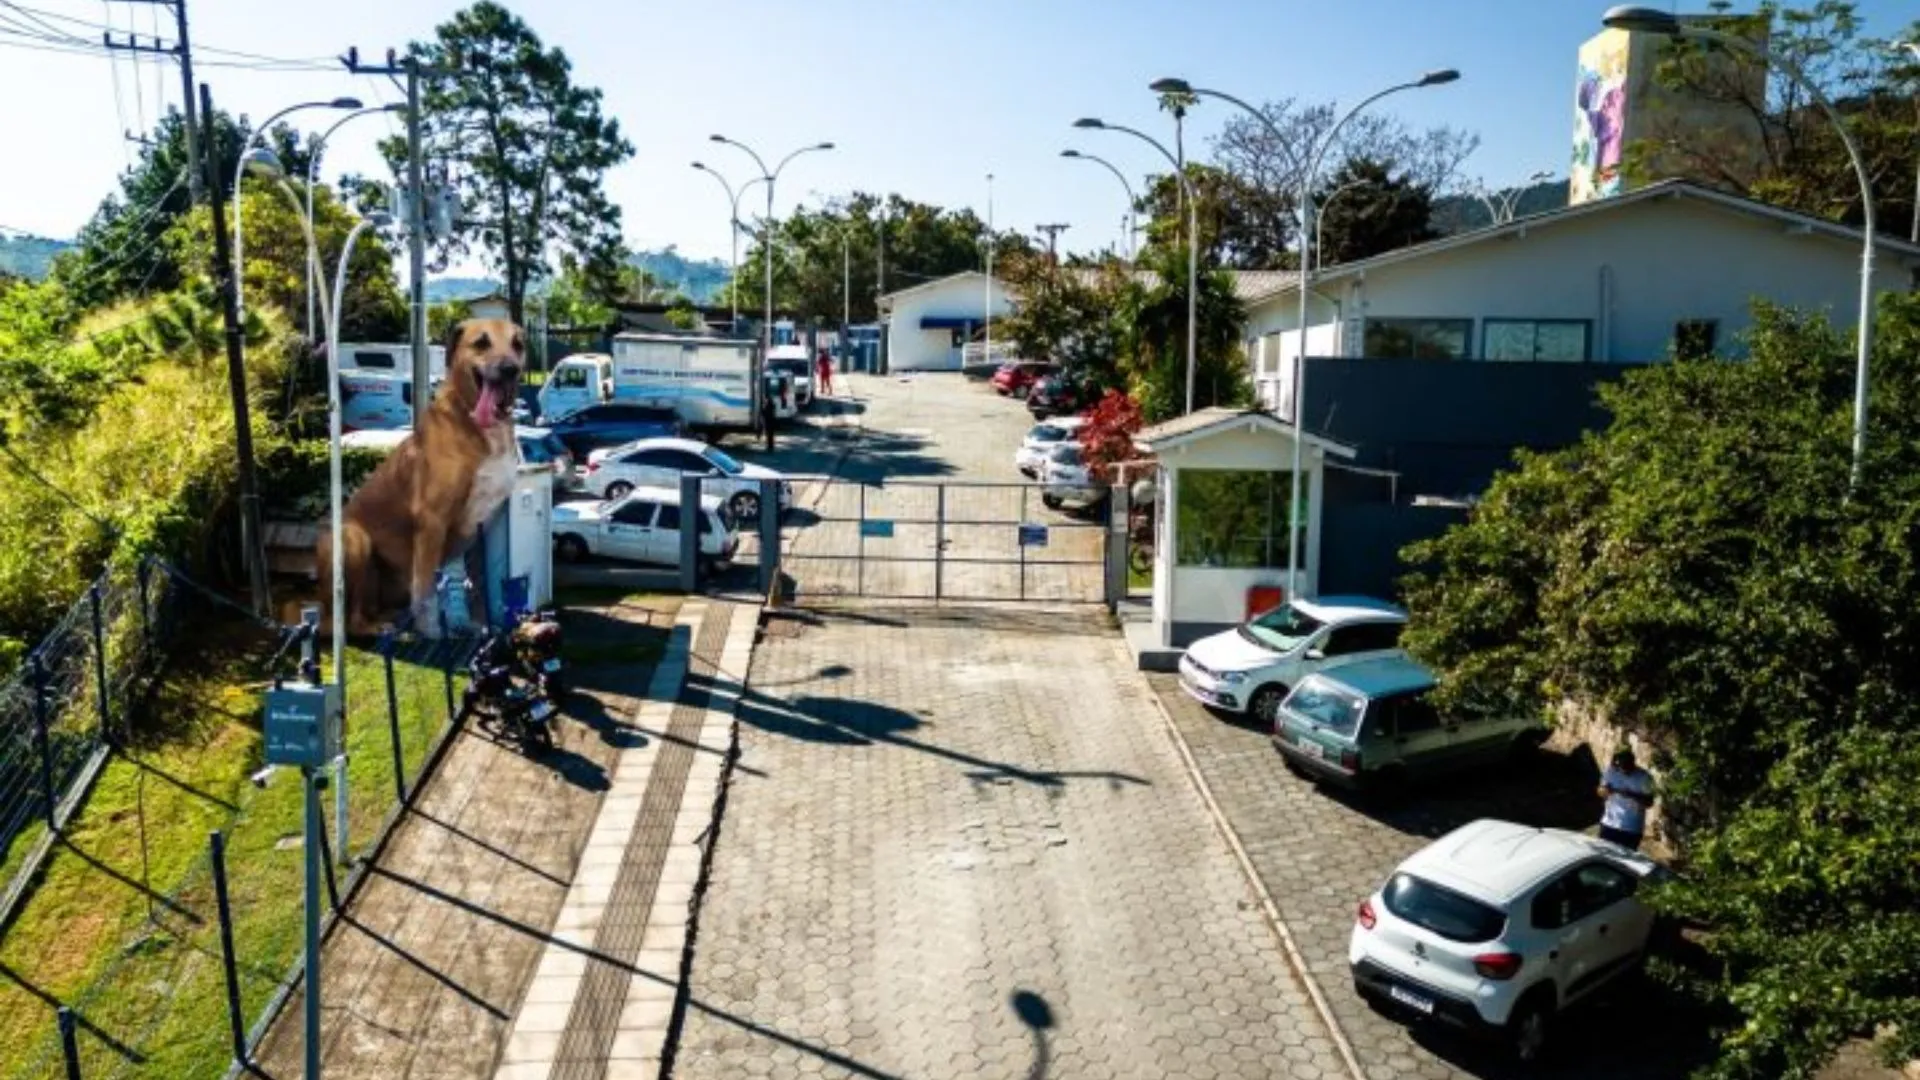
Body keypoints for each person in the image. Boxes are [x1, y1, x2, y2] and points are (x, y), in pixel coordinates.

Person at [1596, 747, 1655, 850]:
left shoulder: (1645, 777)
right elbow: (1600, 791)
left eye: (1627, 765)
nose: (1624, 769)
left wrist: (1631, 795)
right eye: (1621, 766)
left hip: (1631, 828)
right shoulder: (1610, 771)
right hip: (1609, 823)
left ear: (1633, 761)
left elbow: (1649, 803)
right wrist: (1605, 791)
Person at [759, 383, 776, 453]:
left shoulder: (768, 405)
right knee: (770, 435)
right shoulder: (771, 404)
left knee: (769, 434)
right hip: (771, 421)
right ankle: (770, 446)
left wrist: (762, 412)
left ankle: (769, 447)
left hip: (768, 421)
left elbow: (764, 412)